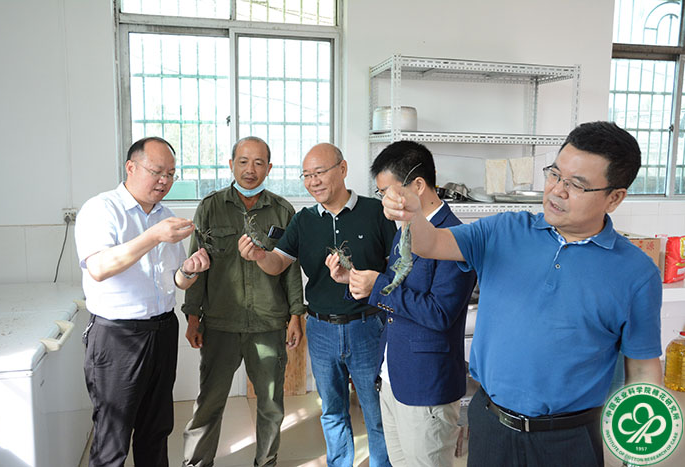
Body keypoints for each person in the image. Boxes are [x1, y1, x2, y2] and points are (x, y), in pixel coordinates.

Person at [381, 122, 663, 467]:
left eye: (576, 185)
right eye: (555, 174)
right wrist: (411, 214)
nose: (557, 191)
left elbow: (643, 370)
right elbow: (431, 243)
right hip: (492, 425)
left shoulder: (636, 273)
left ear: (614, 197)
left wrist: (640, 454)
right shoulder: (504, 231)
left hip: (569, 438)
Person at [238, 143, 397, 467]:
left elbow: (395, 271)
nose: (313, 181)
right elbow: (277, 264)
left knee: (377, 411)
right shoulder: (304, 221)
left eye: (319, 172)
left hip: (368, 328)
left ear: (343, 169)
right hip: (322, 329)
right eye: (307, 175)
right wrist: (259, 256)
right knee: (332, 411)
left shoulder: (376, 212)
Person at [326, 140, 476, 466]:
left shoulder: (454, 237)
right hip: (393, 375)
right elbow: (396, 292)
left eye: (387, 192)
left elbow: (440, 314)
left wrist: (377, 286)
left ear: (418, 186)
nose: (383, 201)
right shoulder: (405, 230)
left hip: (427, 385)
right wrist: (354, 280)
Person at [75, 136, 210, 467]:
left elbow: (174, 280)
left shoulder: (166, 216)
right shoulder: (102, 209)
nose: (164, 180)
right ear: (131, 167)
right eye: (157, 171)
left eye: (171, 174)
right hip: (118, 336)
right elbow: (99, 267)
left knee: (156, 429)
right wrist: (153, 236)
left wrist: (190, 271)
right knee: (113, 437)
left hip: (162, 330)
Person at [181, 136, 305, 467]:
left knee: (271, 405)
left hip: (268, 322)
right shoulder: (210, 207)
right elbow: (196, 264)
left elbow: (291, 268)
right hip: (220, 322)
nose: (251, 169)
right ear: (231, 164)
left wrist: (296, 315)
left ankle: (266, 463)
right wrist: (192, 316)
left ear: (269, 167)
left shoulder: (283, 211)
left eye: (259, 163)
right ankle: (196, 463)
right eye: (244, 161)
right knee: (209, 402)